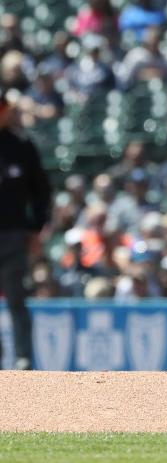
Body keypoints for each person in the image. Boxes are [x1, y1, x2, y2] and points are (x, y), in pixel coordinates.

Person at [0, 86, 52, 369]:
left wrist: (37, 227)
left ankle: (23, 359)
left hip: (13, 235)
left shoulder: (21, 147)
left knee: (16, 298)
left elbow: (41, 190)